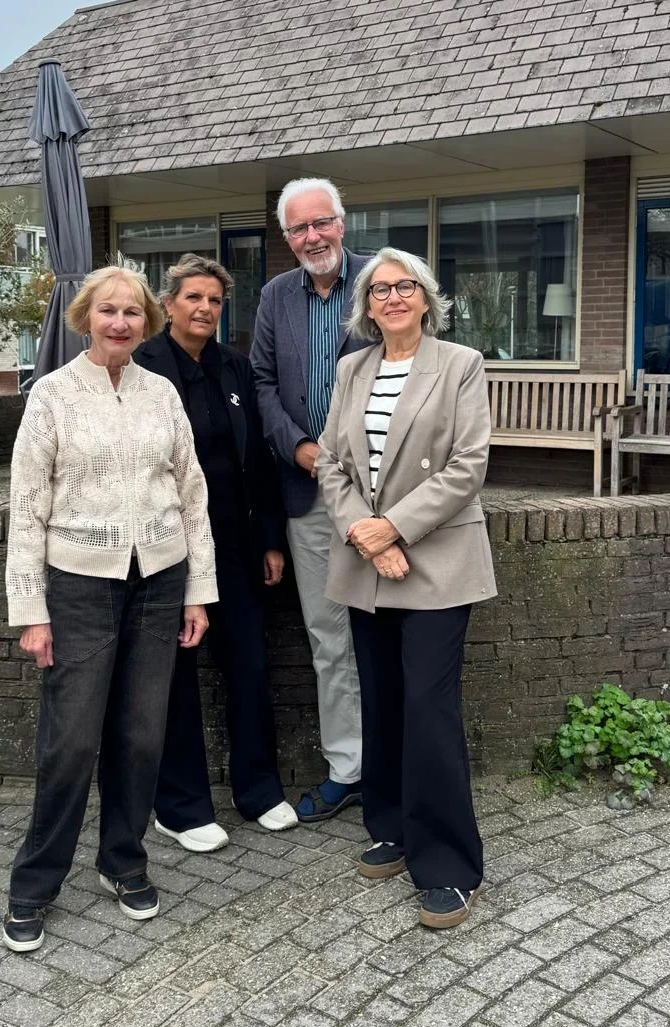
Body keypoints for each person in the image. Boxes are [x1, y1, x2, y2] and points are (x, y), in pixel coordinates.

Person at [2, 264, 217, 952]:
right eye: (108, 311)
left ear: (147, 322)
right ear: (86, 317)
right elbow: (27, 508)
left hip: (158, 580)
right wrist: (30, 609)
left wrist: (197, 592)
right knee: (70, 742)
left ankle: (122, 859)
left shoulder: (160, 393)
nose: (120, 322)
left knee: (141, 734)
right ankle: (34, 882)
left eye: (132, 312)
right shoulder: (54, 396)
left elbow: (191, 494)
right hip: (79, 587)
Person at [315, 246, 497, 929]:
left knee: (427, 707)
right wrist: (363, 531)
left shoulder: (459, 365)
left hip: (436, 562)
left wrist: (391, 528)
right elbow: (331, 464)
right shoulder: (350, 369)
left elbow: (466, 464)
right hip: (366, 561)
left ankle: (450, 861)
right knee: (383, 700)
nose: (391, 297)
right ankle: (391, 826)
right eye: (379, 289)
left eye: (405, 286)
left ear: (425, 298)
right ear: (365, 306)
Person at [134, 253, 297, 851]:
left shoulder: (234, 368)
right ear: (168, 304)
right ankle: (178, 806)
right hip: (168, 550)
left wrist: (271, 537)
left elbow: (259, 462)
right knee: (175, 673)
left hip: (236, 545)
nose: (204, 308)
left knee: (250, 666)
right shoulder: (142, 366)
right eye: (192, 298)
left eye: (214, 300)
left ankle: (258, 790)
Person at [249, 177, 372, 823]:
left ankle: (393, 763)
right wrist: (295, 445)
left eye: (320, 222)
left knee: (385, 630)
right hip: (306, 490)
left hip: (380, 493)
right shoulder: (274, 297)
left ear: (341, 223)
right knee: (328, 637)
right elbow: (262, 381)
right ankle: (347, 767)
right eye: (298, 228)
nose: (311, 237)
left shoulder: (382, 283)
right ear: (286, 237)